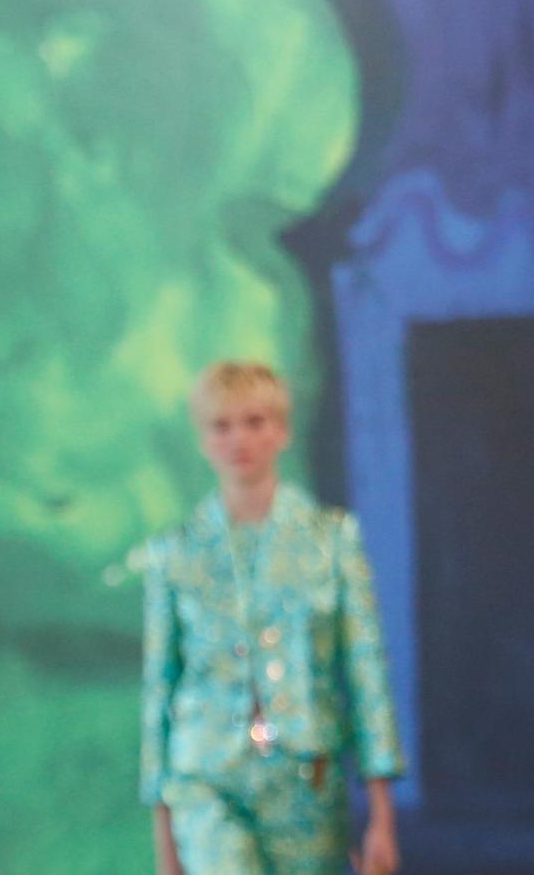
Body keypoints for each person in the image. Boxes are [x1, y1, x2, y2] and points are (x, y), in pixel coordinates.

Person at [138, 361, 403, 875]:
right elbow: (159, 689)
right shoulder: (174, 552)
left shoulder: (332, 540)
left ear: (282, 430)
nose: (239, 439)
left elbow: (367, 673)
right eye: (221, 425)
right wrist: (164, 836)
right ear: (202, 439)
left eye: (255, 422)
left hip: (308, 779)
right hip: (206, 779)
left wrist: (382, 815)